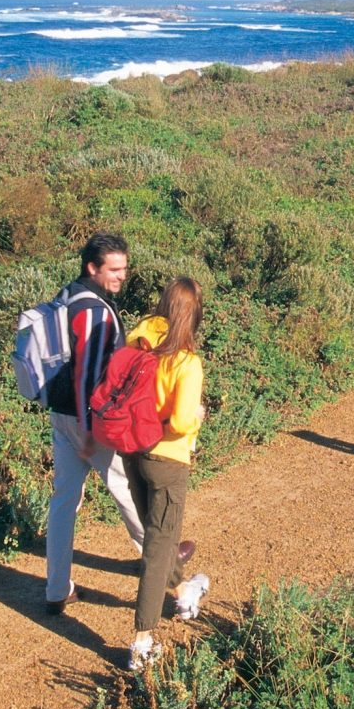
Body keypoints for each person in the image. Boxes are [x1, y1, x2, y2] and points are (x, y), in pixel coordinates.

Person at [44, 233, 193, 615]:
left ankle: (57, 588)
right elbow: (88, 376)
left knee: (64, 501)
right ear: (92, 267)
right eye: (114, 269)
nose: (121, 276)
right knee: (128, 490)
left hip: (60, 413)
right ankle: (169, 570)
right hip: (91, 418)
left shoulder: (67, 296)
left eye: (124, 268)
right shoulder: (94, 311)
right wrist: (91, 431)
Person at [124, 276, 211, 670]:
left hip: (131, 451)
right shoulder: (186, 363)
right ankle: (142, 640)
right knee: (158, 549)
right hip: (168, 460)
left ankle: (182, 591)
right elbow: (178, 419)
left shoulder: (136, 342)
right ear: (194, 316)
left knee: (160, 538)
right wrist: (196, 419)